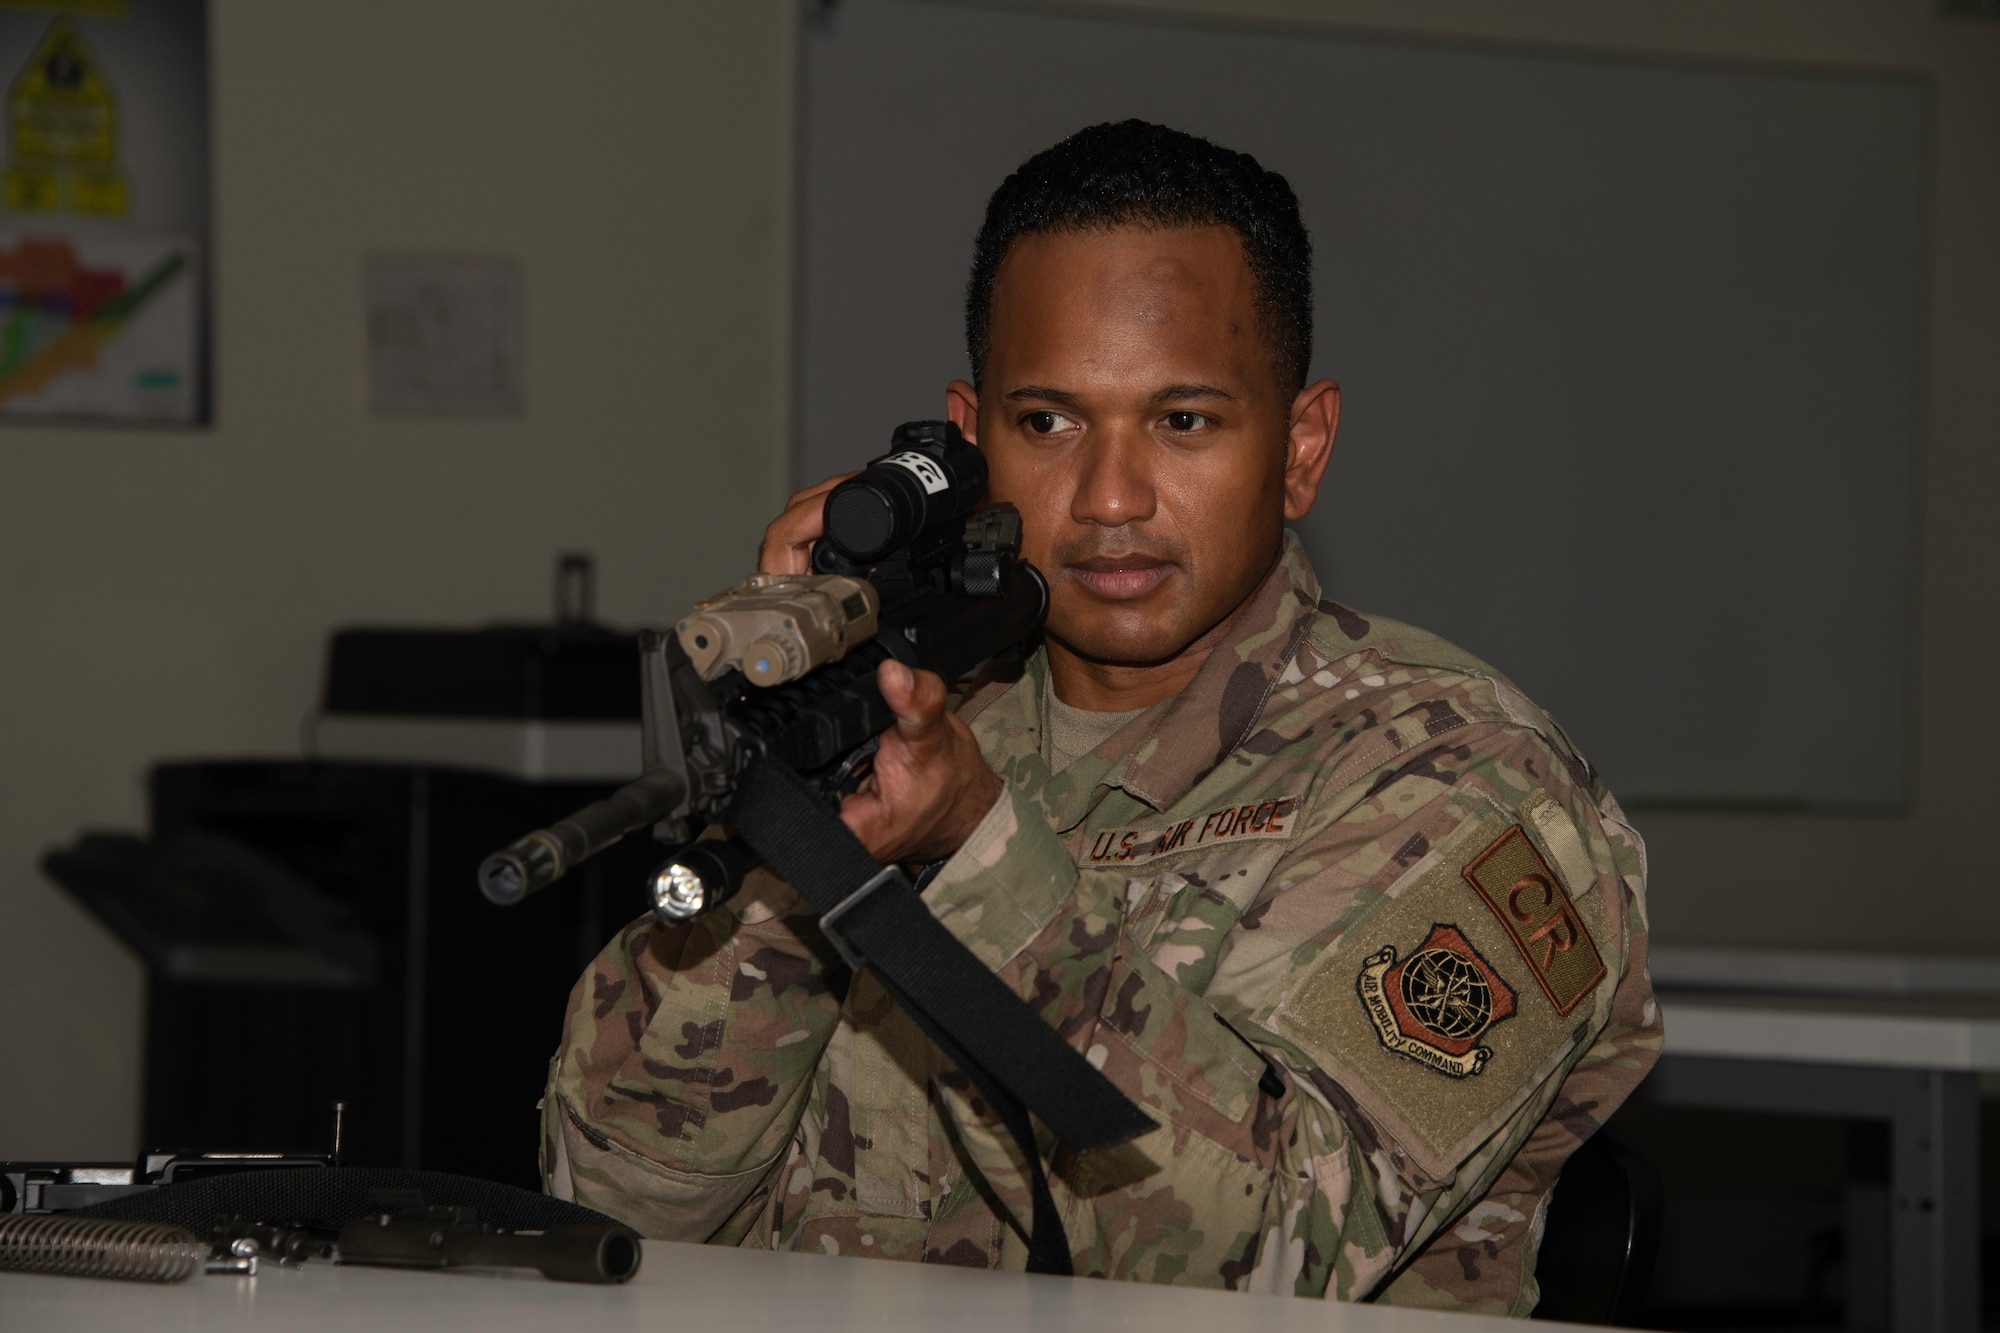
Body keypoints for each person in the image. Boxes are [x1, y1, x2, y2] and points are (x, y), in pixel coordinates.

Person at [541, 120, 1659, 1314]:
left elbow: (1272, 1254)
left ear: (1298, 447)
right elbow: (605, 1212)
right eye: (1048, 423)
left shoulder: (1460, 779)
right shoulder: (919, 728)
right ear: (969, 446)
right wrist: (800, 806)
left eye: (1182, 421)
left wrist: (976, 862)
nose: (1109, 497)